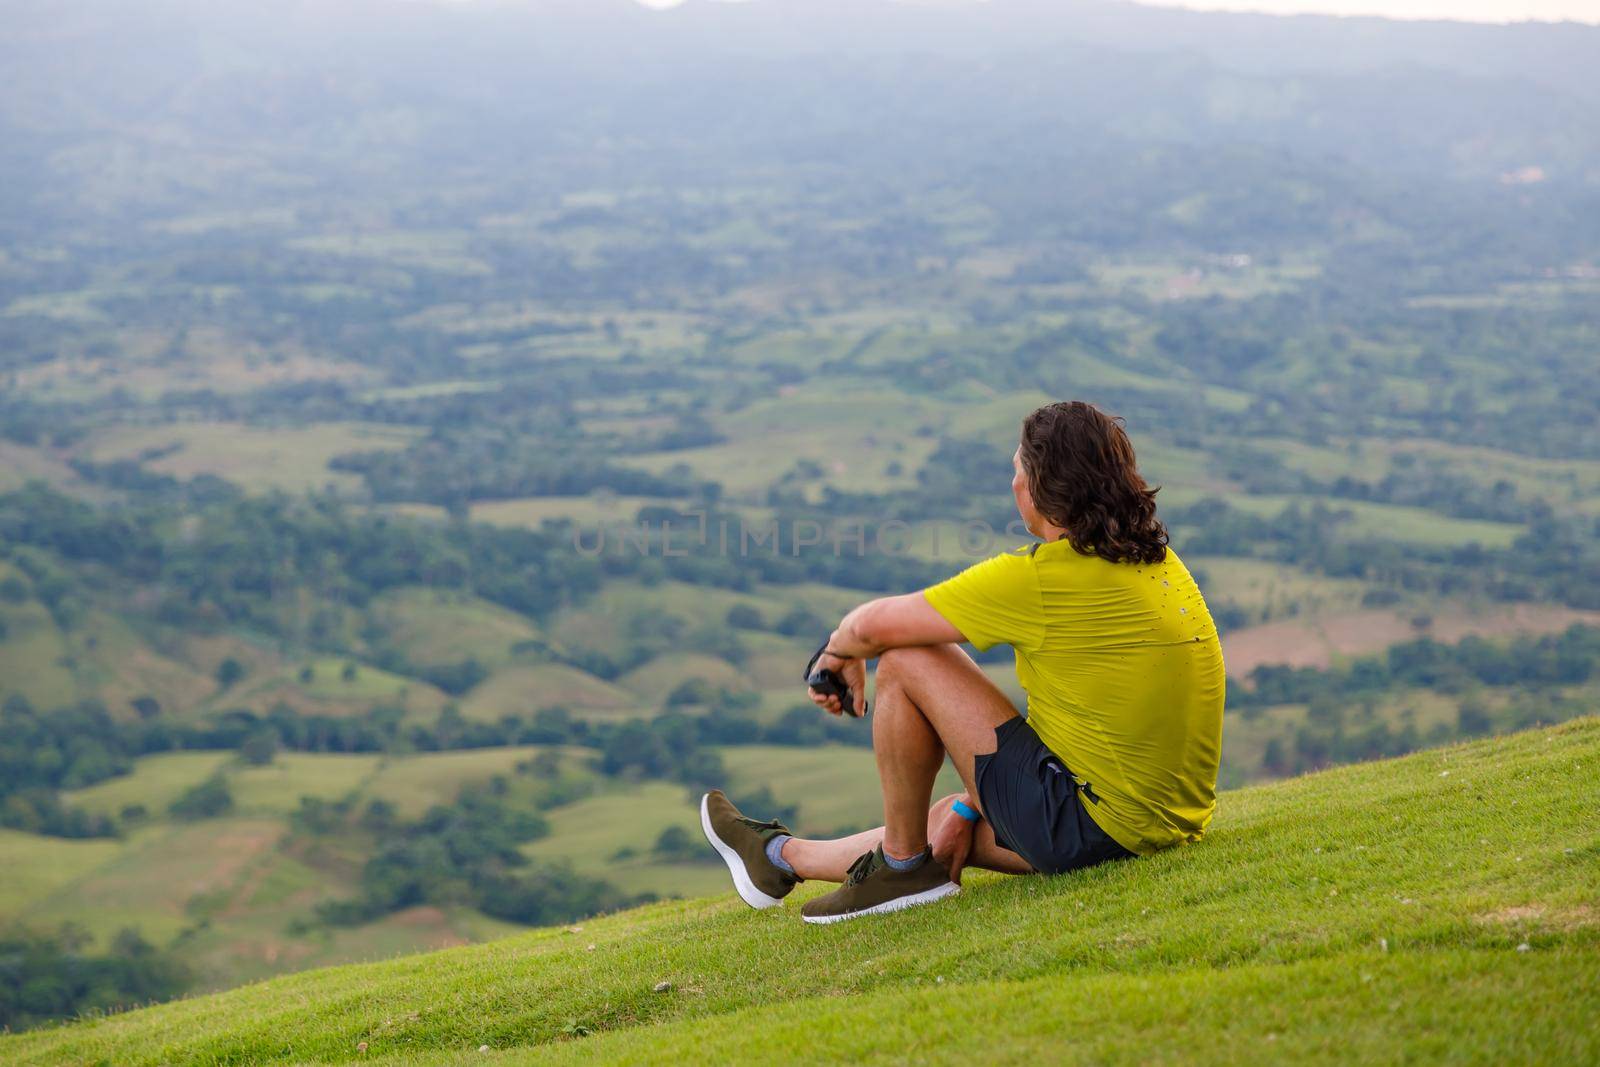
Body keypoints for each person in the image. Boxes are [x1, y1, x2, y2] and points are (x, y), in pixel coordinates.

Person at [701, 400, 1226, 923]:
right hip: (1155, 826)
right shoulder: (1156, 562)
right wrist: (968, 804)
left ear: (1040, 489)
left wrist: (840, 653)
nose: (1014, 483)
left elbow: (875, 627)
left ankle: (902, 871)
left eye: (1017, 470)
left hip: (1092, 828)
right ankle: (776, 857)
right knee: (946, 819)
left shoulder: (1041, 579)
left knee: (907, 657)